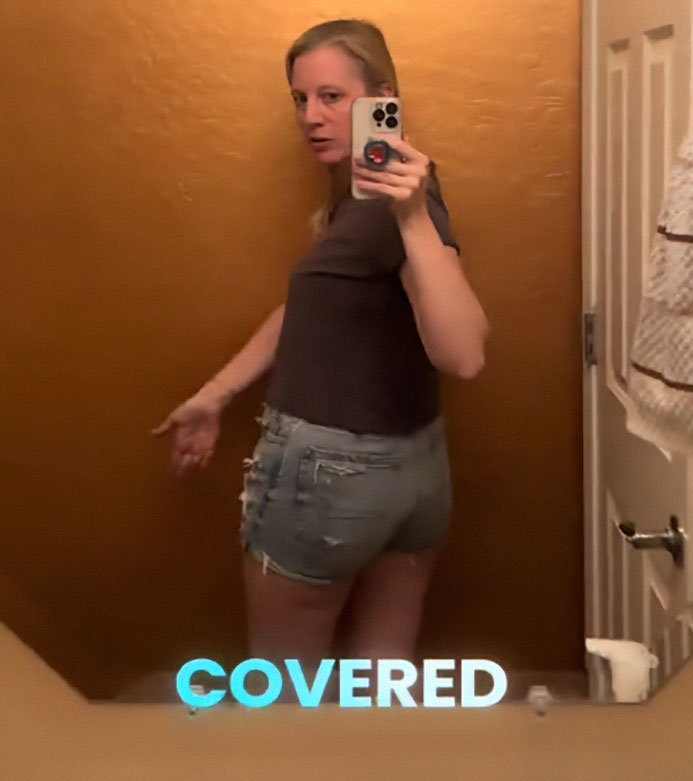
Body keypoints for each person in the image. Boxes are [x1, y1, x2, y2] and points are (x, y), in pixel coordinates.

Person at [152, 18, 489, 704]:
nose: (311, 117)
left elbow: (464, 352)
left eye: (332, 97)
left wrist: (415, 217)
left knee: (281, 696)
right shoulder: (363, 192)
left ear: (380, 100)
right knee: (381, 682)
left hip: (329, 478)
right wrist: (216, 392)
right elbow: (311, 311)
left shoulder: (404, 200)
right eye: (300, 100)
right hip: (414, 477)